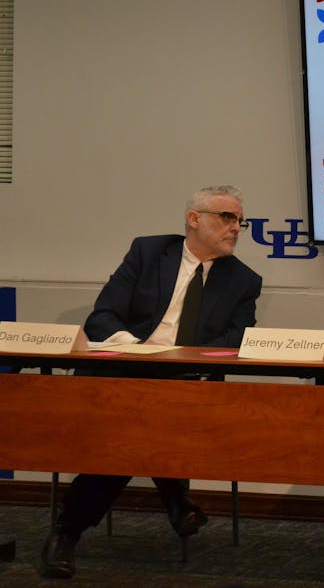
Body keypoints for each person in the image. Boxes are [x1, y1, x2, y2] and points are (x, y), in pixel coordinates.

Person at [39, 185, 262, 580]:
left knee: (133, 434)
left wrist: (178, 360)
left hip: (185, 384)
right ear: (195, 219)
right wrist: (138, 351)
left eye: (239, 221)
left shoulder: (244, 280)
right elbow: (103, 318)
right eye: (226, 218)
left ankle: (66, 531)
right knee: (138, 421)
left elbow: (236, 340)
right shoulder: (148, 252)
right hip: (123, 375)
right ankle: (177, 500)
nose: (236, 228)